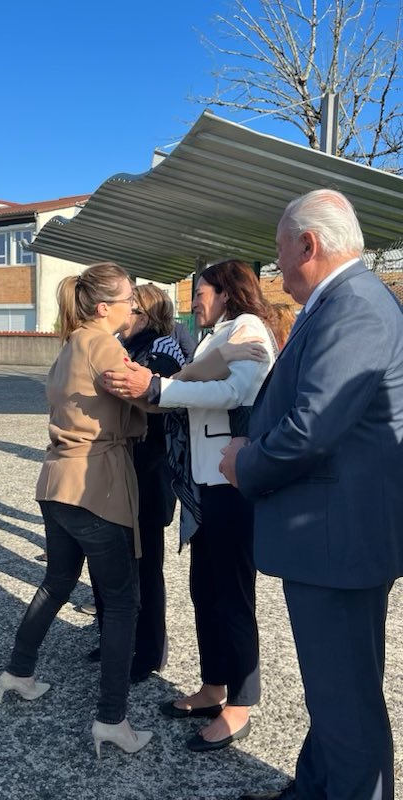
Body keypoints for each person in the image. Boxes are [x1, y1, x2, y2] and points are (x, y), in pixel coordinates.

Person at [220, 189, 403, 800]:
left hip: (337, 539)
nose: (275, 270)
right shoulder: (344, 303)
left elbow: (312, 426)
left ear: (309, 244)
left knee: (346, 702)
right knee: (336, 689)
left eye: (278, 254)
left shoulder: (356, 306)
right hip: (333, 535)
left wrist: (246, 461)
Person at [104, 261, 275, 753]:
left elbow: (238, 390)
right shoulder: (220, 331)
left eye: (200, 291)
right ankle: (214, 686)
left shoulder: (248, 328)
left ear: (226, 292)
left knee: (232, 594)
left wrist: (161, 389)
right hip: (203, 483)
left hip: (230, 481)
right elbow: (202, 383)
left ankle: (239, 704)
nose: (194, 299)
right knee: (205, 589)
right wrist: (168, 388)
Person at [0, 262, 153, 757]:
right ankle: (112, 719)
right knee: (122, 602)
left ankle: (18, 671)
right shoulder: (104, 344)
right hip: (96, 485)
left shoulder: (68, 344)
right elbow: (144, 396)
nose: (136, 306)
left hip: (56, 480)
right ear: (105, 306)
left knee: (58, 582)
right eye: (130, 298)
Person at [89, 283, 186, 681]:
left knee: (145, 564)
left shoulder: (162, 350)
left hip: (149, 470)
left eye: (128, 308)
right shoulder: (119, 346)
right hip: (125, 467)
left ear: (143, 314)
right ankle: (117, 638)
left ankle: (147, 651)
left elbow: (159, 405)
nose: (120, 315)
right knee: (116, 560)